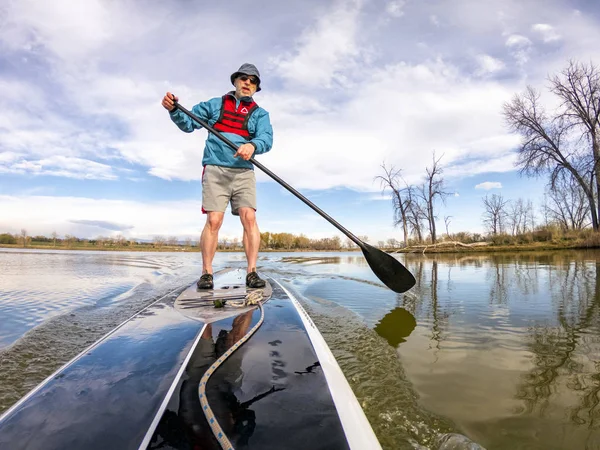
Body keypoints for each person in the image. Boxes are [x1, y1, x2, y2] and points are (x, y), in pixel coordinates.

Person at [161, 63, 273, 289]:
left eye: (253, 81)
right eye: (243, 78)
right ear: (235, 81)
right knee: (214, 220)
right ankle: (207, 273)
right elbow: (188, 122)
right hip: (215, 169)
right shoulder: (215, 104)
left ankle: (252, 272)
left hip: (243, 171)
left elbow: (266, 139)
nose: (247, 83)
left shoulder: (260, 114)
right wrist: (174, 110)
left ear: (256, 87)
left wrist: (253, 145)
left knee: (249, 217)